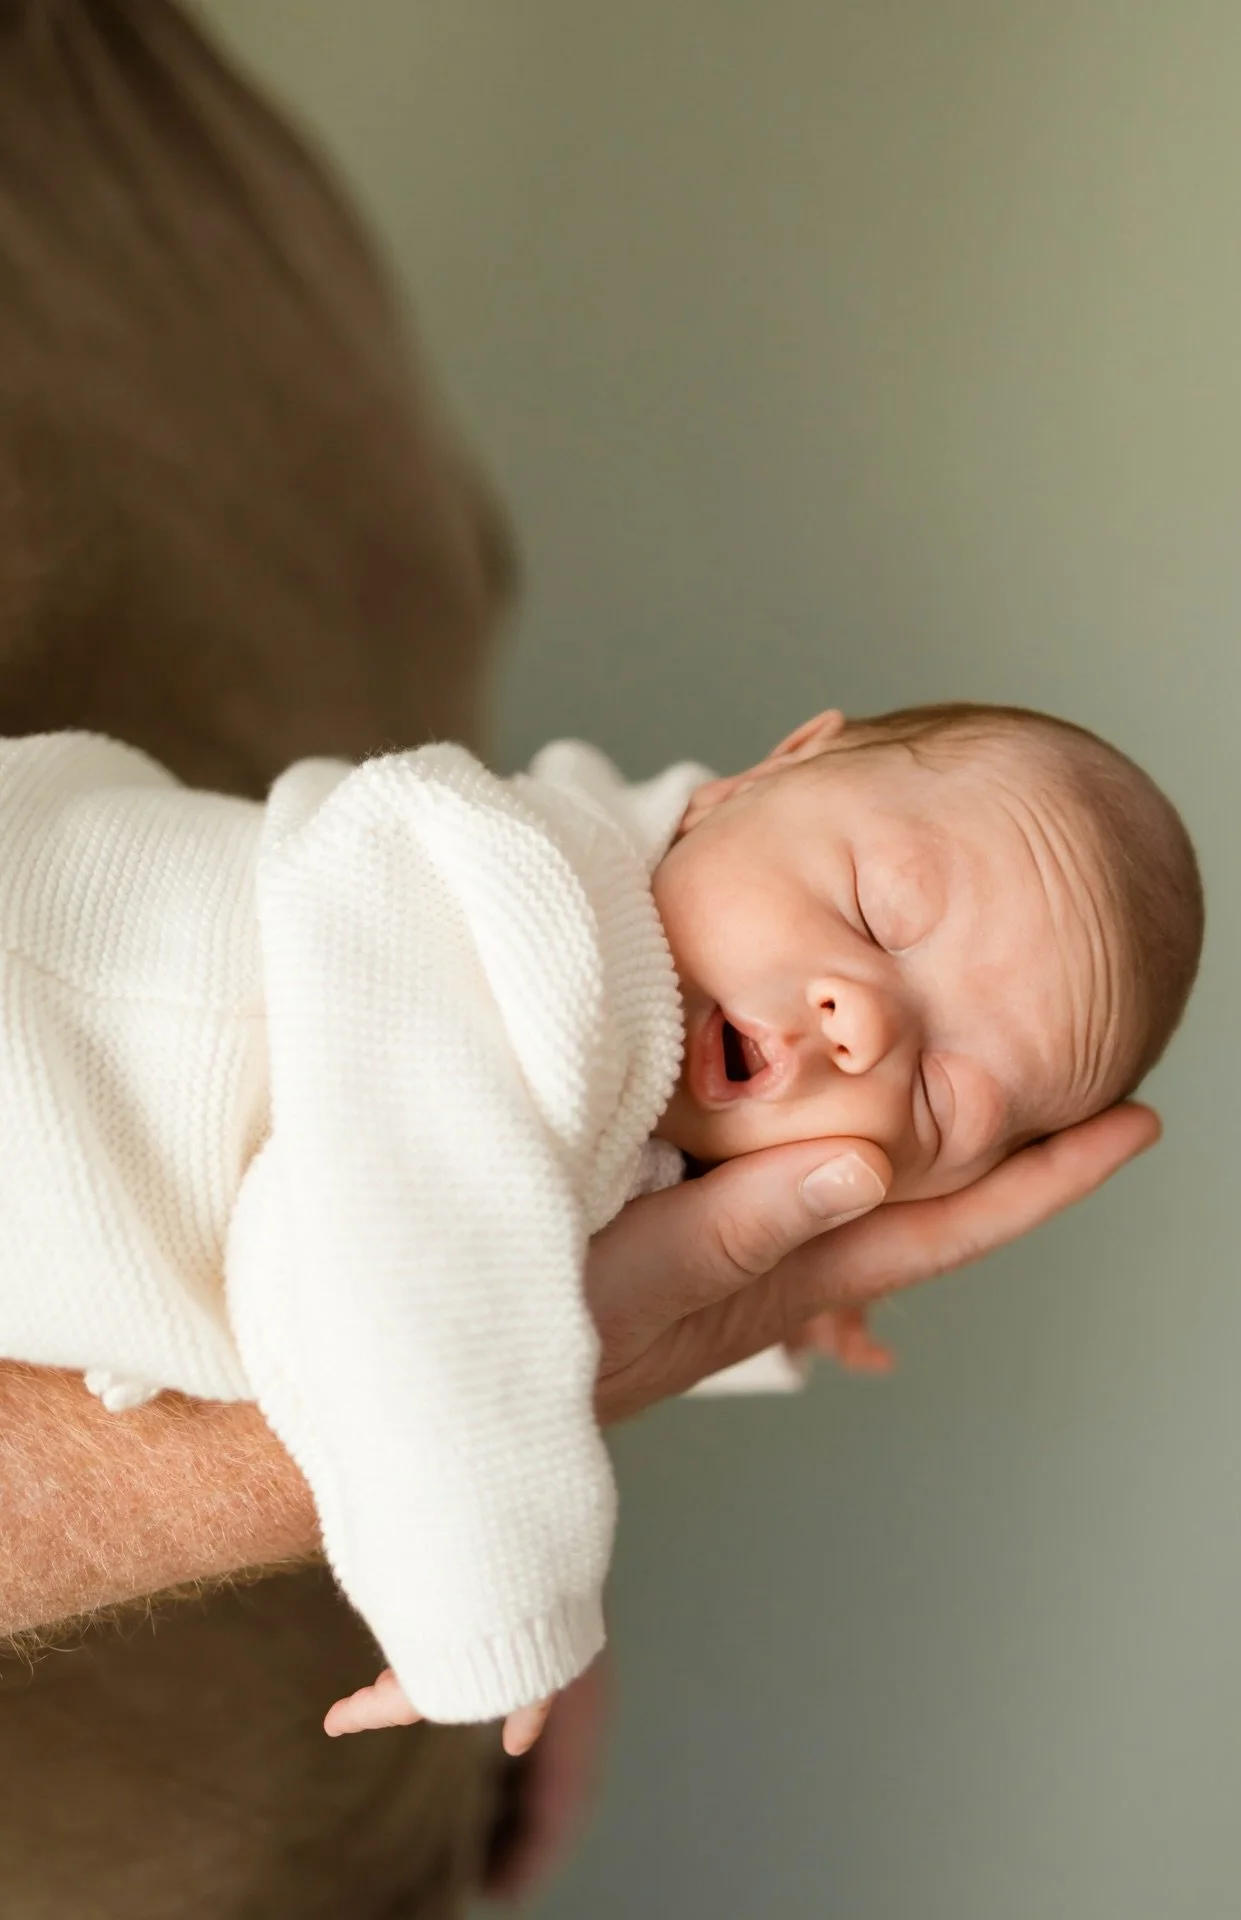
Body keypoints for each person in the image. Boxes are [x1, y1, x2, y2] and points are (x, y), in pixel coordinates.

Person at [0, 3, 1162, 1913]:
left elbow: (552, 1208)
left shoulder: (207, 152)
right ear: (766, 771)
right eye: (875, 920)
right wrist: (505, 1603)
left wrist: (746, 1327)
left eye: (944, 1089)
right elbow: (374, 1242)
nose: (863, 1020)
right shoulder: (505, 910)